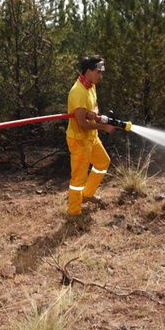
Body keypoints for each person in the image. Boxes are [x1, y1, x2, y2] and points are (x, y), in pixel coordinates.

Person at [66, 55, 116, 217]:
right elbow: (81, 123)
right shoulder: (78, 92)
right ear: (88, 71)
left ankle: (87, 195)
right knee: (78, 179)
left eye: (102, 73)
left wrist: (95, 114)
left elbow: (94, 105)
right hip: (79, 139)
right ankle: (74, 213)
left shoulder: (90, 85)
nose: (101, 76)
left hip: (90, 137)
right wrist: (103, 126)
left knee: (103, 162)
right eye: (98, 72)